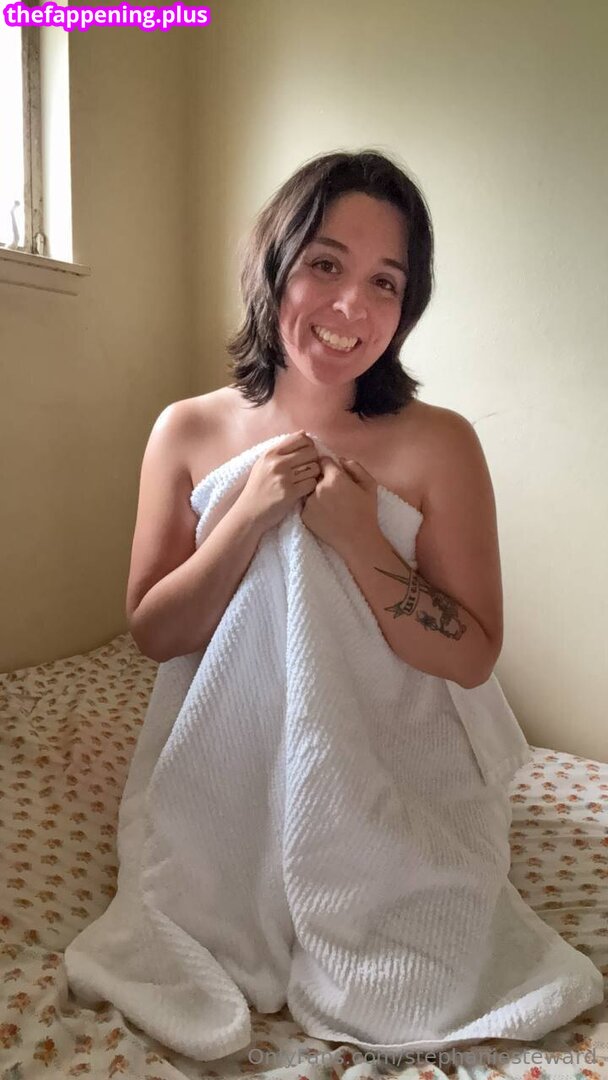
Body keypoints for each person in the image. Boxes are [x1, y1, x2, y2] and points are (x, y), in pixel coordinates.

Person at [126, 148, 503, 689]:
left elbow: (473, 662)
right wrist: (247, 517)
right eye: (326, 265)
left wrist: (362, 541)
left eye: (384, 282)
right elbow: (153, 636)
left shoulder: (443, 444)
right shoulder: (185, 430)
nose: (351, 306)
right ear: (275, 266)